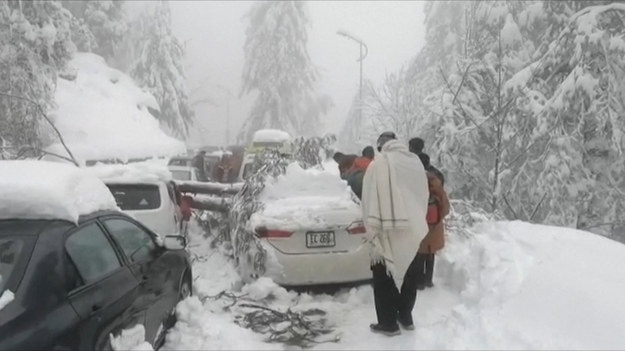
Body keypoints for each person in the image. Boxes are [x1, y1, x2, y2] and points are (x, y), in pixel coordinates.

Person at [361, 131, 429, 336]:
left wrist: (370, 225)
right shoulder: (414, 162)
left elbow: (369, 198)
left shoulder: (378, 165)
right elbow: (423, 192)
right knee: (410, 273)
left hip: (386, 229)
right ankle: (406, 318)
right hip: (414, 228)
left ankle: (388, 323)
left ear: (382, 146)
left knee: (384, 277)